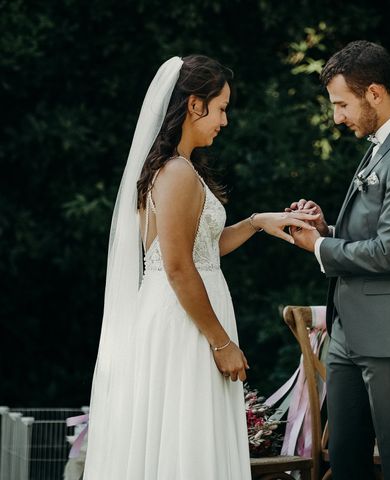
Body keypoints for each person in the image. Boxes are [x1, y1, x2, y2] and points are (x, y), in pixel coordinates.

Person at [83, 55, 318, 479]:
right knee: (183, 435)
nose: (225, 121)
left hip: (187, 313)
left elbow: (203, 249)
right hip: (184, 322)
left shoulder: (180, 169)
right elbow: (176, 266)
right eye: (222, 107)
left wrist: (255, 223)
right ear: (195, 105)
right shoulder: (176, 173)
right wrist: (221, 342)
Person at [288, 41, 390, 480]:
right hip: (349, 331)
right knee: (345, 461)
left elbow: (389, 252)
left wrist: (319, 248)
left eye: (342, 104)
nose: (337, 116)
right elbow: (372, 233)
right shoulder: (386, 142)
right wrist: (325, 230)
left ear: (375, 93)